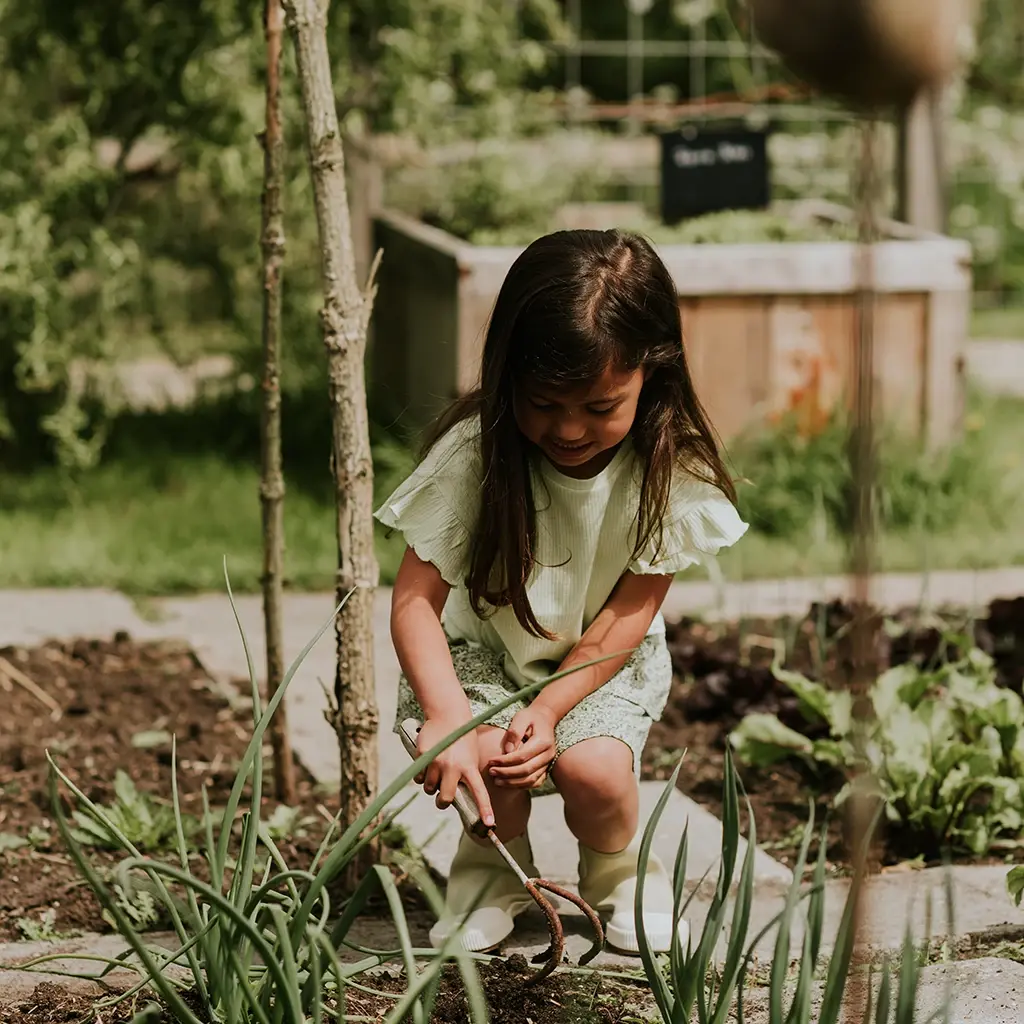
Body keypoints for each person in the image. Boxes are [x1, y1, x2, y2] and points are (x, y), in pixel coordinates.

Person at [375, 228, 747, 955]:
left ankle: (616, 874)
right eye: (544, 402)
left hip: (598, 658)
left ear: (653, 373)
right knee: (486, 762)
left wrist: (549, 711)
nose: (570, 429)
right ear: (508, 373)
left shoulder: (668, 471)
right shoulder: (477, 455)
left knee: (597, 772)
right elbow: (413, 602)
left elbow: (627, 617)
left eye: (601, 405)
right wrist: (447, 714)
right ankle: (492, 872)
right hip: (479, 655)